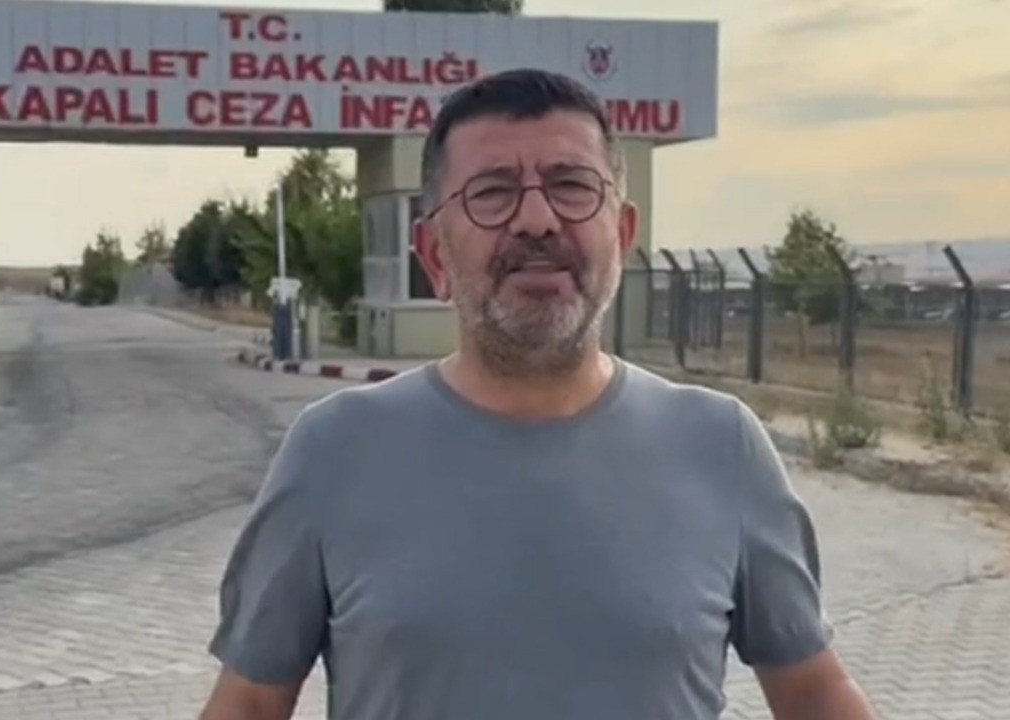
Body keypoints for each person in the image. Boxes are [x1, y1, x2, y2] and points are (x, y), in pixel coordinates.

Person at [198, 68, 876, 720]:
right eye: (492, 193)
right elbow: (250, 703)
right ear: (434, 255)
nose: (536, 220)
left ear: (623, 235)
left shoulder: (721, 445)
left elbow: (812, 691)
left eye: (571, 186)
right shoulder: (334, 451)